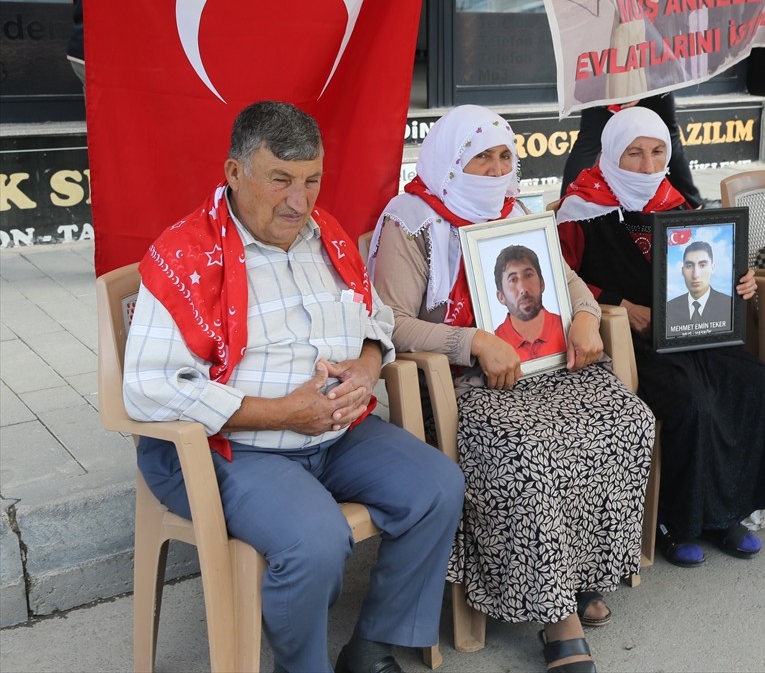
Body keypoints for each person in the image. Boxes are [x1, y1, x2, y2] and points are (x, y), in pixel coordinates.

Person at [123, 101, 464, 673]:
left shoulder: (323, 235)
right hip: (230, 448)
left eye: (311, 181)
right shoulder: (186, 252)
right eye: (280, 179)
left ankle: (373, 647)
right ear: (234, 173)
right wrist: (281, 412)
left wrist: (366, 362)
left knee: (436, 487)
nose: (299, 201)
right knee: (313, 542)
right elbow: (150, 388)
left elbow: (376, 318)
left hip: (333, 430)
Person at [368, 105, 654, 673]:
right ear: (451, 158)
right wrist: (469, 340)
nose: (498, 169)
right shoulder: (412, 221)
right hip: (456, 384)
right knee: (525, 447)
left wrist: (586, 318)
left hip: (539, 368)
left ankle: (580, 571)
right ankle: (557, 618)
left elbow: (570, 284)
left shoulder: (516, 210)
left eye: (506, 156)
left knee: (626, 419)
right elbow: (391, 320)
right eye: (482, 157)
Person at [556, 106, 765, 567]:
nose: (647, 166)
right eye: (634, 154)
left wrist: (739, 280)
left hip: (692, 331)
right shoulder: (579, 210)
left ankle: (728, 513)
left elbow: (712, 266)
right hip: (629, 342)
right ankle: (676, 522)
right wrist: (621, 306)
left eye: (658, 152)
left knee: (758, 384)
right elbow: (562, 282)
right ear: (610, 154)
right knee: (690, 399)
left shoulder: (677, 203)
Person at [560, 93, 704, 208]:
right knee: (669, 139)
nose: (648, 168)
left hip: (601, 74)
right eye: (635, 154)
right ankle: (693, 205)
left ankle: (565, 206)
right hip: (644, 73)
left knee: (588, 142)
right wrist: (634, 86)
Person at [491, 244, 566, 361]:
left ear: (542, 283)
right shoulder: (493, 344)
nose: (523, 289)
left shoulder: (566, 326)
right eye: (513, 280)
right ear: (501, 297)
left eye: (528, 275)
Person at [665, 240, 734, 331]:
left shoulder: (729, 305)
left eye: (702, 265)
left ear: (712, 268)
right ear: (682, 271)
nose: (695, 275)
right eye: (689, 266)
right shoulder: (669, 308)